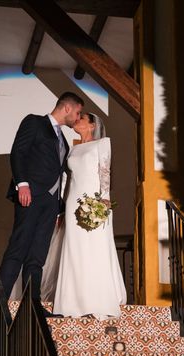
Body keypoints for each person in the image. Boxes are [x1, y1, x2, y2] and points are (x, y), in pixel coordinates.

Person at [0, 92, 83, 317]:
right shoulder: (34, 122)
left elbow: (60, 173)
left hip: (50, 203)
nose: (77, 117)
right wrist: (22, 185)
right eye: (77, 112)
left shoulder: (63, 140)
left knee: (37, 257)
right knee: (18, 248)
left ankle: (34, 309)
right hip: (31, 195)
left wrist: (59, 208)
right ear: (67, 108)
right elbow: (19, 152)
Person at [53, 112, 127, 318]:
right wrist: (61, 207)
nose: (76, 121)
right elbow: (68, 180)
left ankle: (97, 298)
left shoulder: (102, 144)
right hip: (72, 204)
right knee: (74, 248)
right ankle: (72, 300)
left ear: (92, 125)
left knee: (94, 247)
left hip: (94, 201)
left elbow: (105, 172)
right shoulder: (73, 149)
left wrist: (103, 201)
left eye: (81, 118)